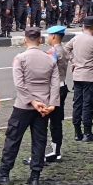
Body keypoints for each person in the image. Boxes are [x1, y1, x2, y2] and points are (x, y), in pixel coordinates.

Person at [0, 27, 59, 185]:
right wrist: (52, 105)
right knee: (39, 141)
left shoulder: (20, 58)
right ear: (40, 40)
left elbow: (19, 85)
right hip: (44, 106)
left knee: (13, 138)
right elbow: (55, 85)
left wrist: (32, 102)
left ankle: (4, 174)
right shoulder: (50, 60)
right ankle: (35, 177)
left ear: (25, 40)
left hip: (23, 106)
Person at [24, 25, 70, 165]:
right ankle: (56, 152)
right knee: (56, 122)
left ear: (53, 36)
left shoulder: (52, 52)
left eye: (49, 36)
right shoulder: (64, 50)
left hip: (52, 90)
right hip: (62, 87)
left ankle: (39, 156)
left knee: (41, 123)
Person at [64, 16, 93, 142]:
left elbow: (66, 49)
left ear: (83, 26)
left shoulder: (76, 38)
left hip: (77, 76)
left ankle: (77, 133)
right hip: (89, 77)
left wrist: (74, 60)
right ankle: (87, 133)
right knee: (88, 105)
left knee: (77, 104)